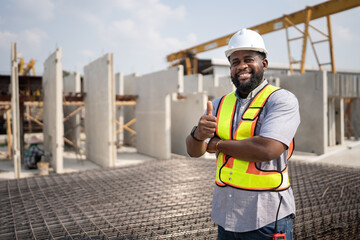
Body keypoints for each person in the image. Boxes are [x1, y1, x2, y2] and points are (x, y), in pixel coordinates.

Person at [186, 28, 300, 240]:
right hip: (226, 216)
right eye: (235, 61)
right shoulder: (219, 104)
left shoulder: (280, 100)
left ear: (263, 64)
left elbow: (267, 149)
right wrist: (198, 135)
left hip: (266, 219)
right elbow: (194, 151)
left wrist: (218, 145)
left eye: (248, 59)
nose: (241, 66)